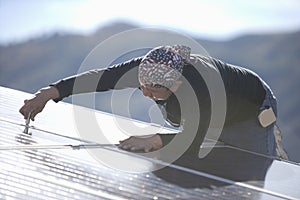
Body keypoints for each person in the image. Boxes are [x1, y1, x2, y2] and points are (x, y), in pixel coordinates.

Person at [19, 45, 281, 160]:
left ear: (175, 85)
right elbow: (102, 78)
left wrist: (155, 140)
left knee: (251, 164)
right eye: (141, 87)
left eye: (152, 91)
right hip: (211, 112)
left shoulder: (201, 88)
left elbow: (194, 140)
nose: (145, 95)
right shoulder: (150, 66)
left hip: (254, 112)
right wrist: (50, 92)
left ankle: (273, 149)